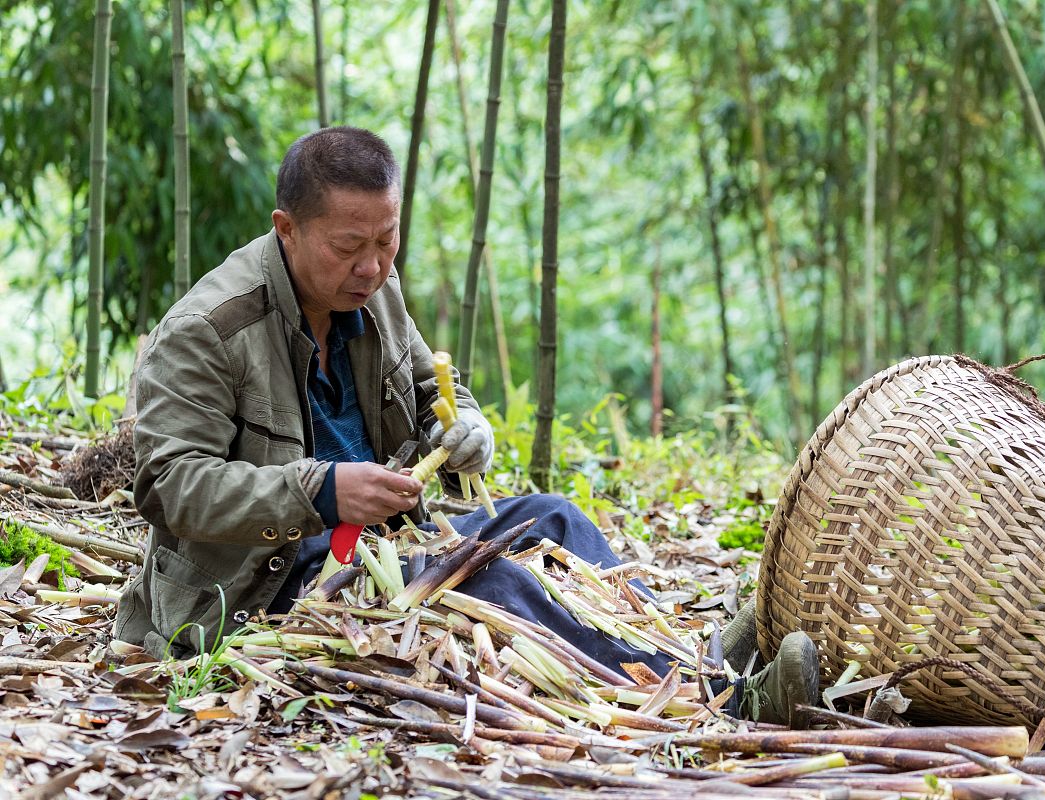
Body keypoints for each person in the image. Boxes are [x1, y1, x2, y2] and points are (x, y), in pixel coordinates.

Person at [113, 126, 817, 725]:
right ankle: (722, 698)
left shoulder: (373, 287)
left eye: (388, 241)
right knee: (495, 586)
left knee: (556, 519)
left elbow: (429, 389)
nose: (372, 266)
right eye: (348, 246)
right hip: (270, 582)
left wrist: (466, 427)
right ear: (286, 230)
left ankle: (689, 651)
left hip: (386, 543)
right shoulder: (209, 329)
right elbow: (170, 487)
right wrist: (320, 491)